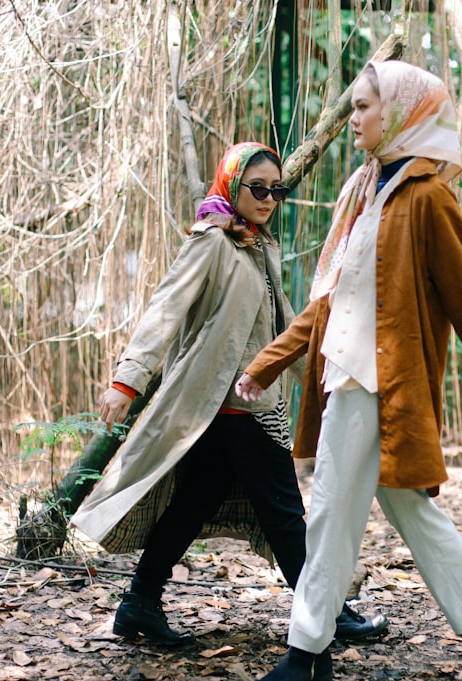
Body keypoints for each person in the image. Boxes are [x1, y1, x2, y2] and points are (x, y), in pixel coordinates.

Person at [235, 62, 462, 681]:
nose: (354, 118)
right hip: (348, 378)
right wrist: (269, 362)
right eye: (353, 107)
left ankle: (307, 653)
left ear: (400, 113)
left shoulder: (429, 198)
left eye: (365, 107)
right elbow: (332, 302)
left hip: (382, 386)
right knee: (410, 513)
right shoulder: (366, 191)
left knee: (326, 516)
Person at [69, 142, 389, 647]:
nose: (268, 199)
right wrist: (126, 380)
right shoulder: (212, 242)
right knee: (285, 514)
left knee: (194, 503)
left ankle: (138, 604)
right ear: (232, 185)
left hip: (246, 402)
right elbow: (165, 307)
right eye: (257, 188)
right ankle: (327, 614)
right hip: (233, 404)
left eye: (276, 190)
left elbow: (283, 332)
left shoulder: (258, 246)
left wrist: (332, 383)